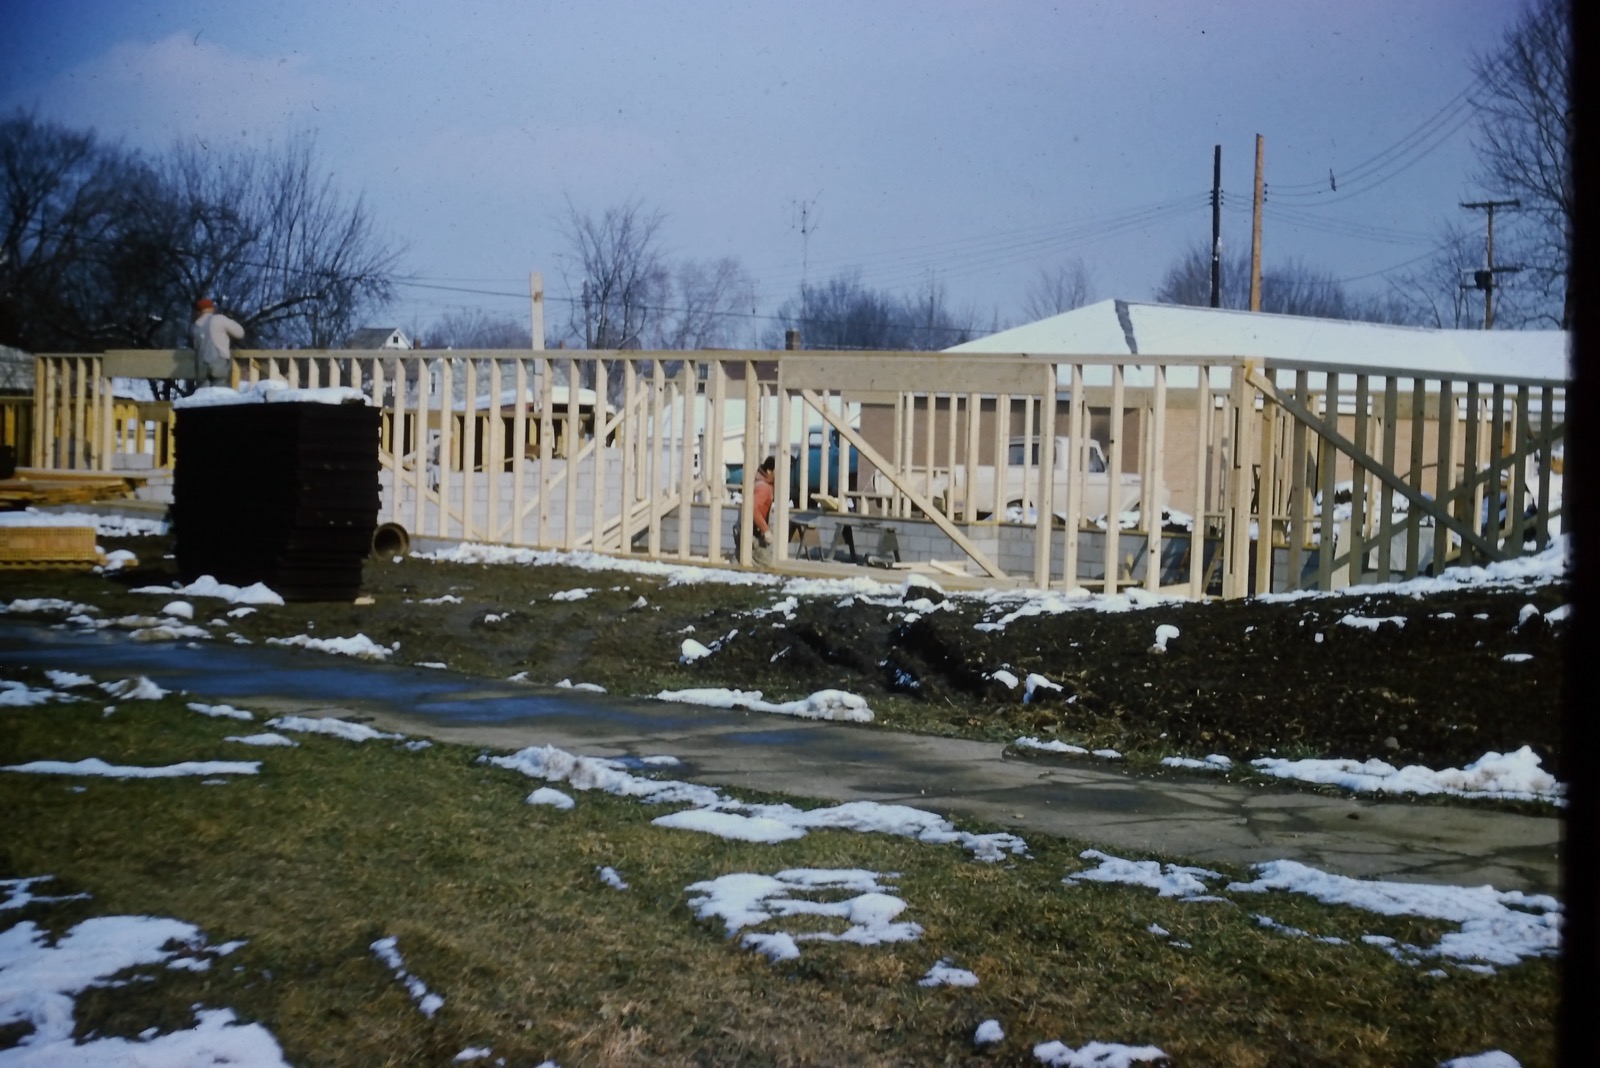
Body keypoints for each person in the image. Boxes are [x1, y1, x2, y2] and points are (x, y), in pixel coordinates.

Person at [735, 455, 778, 567]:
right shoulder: (763, 488)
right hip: (752, 534)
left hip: (746, 531)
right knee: (766, 566)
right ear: (769, 471)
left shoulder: (759, 483)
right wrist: (766, 530)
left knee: (745, 559)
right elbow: (753, 509)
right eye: (777, 471)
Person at [191, 297, 244, 385]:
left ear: (199, 311)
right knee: (220, 394)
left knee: (202, 395)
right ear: (211, 308)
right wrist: (230, 319)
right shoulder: (219, 319)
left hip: (201, 367)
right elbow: (240, 333)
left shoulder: (194, 326)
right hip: (219, 364)